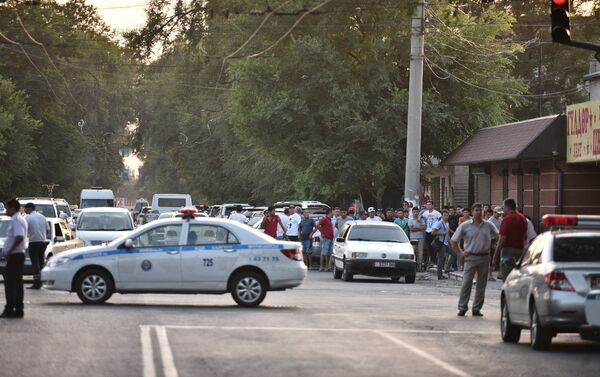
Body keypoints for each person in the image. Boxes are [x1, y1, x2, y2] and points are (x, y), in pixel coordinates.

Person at [451, 203, 499, 317]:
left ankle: (476, 308)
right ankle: (462, 307)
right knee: (467, 283)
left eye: (480, 210)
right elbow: (454, 241)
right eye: (476, 210)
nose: (479, 212)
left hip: (484, 257)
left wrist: (492, 244)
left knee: (481, 285)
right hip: (470, 257)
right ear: (472, 212)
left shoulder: (488, 225)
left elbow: (497, 235)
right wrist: (461, 252)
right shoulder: (465, 225)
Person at [1, 199, 28, 318]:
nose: (6, 210)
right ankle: (18, 309)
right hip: (17, 255)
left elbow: (19, 237)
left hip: (15, 255)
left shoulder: (16, 220)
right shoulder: (18, 219)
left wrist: (10, 250)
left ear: (12, 208)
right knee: (17, 284)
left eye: (7, 208)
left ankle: (10, 309)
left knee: (11, 284)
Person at [493, 198, 528, 281]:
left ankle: (508, 293)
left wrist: (495, 255)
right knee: (518, 277)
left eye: (503, 207)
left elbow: (502, 239)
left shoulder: (506, 219)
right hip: (520, 250)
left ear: (507, 207)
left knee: (507, 277)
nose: (503, 210)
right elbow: (525, 236)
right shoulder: (522, 218)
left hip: (508, 251)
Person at [24, 203, 50, 289]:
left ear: (29, 208)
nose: (24, 210)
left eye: (25, 208)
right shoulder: (42, 217)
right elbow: (47, 230)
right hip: (42, 243)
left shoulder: (28, 218)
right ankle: (41, 281)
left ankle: (36, 283)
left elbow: (25, 231)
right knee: (41, 262)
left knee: (35, 264)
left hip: (33, 242)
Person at [432, 210, 457, 279]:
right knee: (441, 259)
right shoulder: (439, 223)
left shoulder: (447, 223)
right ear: (442, 216)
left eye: (447, 216)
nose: (446, 217)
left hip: (445, 243)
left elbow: (447, 234)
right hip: (440, 243)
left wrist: (450, 242)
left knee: (454, 254)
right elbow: (433, 232)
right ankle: (439, 275)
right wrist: (442, 233)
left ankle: (447, 268)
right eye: (445, 215)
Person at [420, 201, 441, 268]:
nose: (428, 206)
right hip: (427, 231)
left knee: (434, 246)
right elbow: (420, 218)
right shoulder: (425, 213)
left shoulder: (436, 213)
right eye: (427, 205)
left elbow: (441, 220)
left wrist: (437, 227)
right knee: (428, 247)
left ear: (432, 205)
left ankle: (434, 261)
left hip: (434, 231)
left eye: (430, 205)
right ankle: (429, 262)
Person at [408, 207, 426, 271]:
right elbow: (411, 229)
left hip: (421, 237)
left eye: (417, 212)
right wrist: (419, 228)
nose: (415, 213)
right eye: (414, 212)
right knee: (413, 251)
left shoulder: (421, 219)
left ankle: (419, 266)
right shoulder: (410, 219)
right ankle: (413, 265)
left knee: (420, 252)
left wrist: (416, 227)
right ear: (412, 212)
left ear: (418, 212)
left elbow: (424, 227)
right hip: (413, 237)